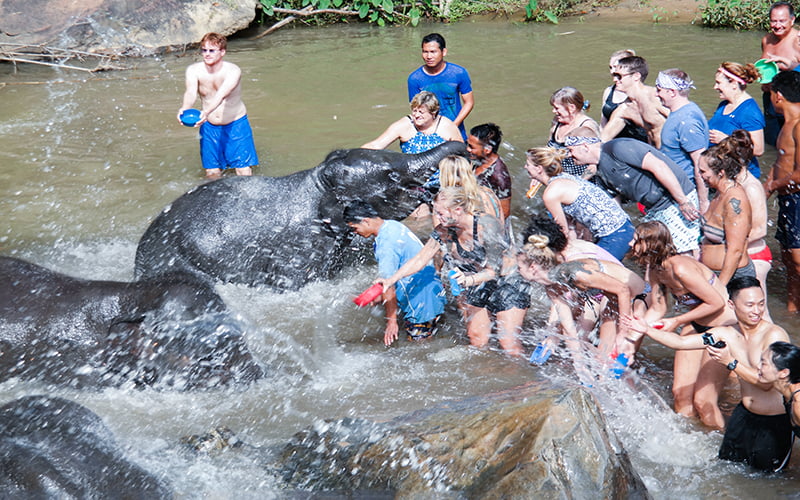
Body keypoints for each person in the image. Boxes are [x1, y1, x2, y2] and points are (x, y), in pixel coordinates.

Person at [627, 276, 792, 471]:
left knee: (769, 480)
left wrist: (729, 362)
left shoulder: (774, 335)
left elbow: (766, 383)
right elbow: (680, 343)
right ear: (732, 304)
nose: (756, 311)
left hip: (773, 422)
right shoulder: (726, 333)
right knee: (729, 471)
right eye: (749, 305)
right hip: (743, 417)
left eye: (761, 304)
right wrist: (646, 329)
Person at [376, 187, 529, 356]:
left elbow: (493, 271)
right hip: (475, 282)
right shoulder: (445, 230)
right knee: (477, 340)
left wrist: (468, 280)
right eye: (436, 214)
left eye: (441, 214)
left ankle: (526, 378)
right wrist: (390, 280)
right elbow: (420, 259)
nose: (438, 219)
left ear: (457, 210)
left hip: (507, 282)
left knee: (508, 344)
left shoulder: (487, 225)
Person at [629, 221, 736, 425]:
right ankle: (692, 440)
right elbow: (659, 308)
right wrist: (636, 330)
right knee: (680, 394)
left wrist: (677, 320)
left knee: (704, 401)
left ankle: (721, 447)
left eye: (636, 240)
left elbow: (716, 302)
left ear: (651, 244)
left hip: (724, 328)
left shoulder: (681, 267)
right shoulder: (655, 271)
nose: (630, 242)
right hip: (696, 324)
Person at [516, 234, 646, 375]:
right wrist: (579, 366)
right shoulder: (552, 288)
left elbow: (623, 289)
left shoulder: (576, 273)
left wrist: (623, 332)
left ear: (533, 267)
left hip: (637, 298)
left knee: (609, 364)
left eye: (519, 267)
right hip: (611, 300)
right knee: (598, 361)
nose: (517, 271)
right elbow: (569, 329)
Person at [565, 129, 701, 255]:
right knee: (654, 256)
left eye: (571, 150)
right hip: (654, 208)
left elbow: (659, 166)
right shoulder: (600, 172)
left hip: (676, 199)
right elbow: (615, 207)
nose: (570, 155)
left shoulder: (618, 148)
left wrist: (683, 201)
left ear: (585, 146)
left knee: (682, 252)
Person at [344, 201, 446, 345]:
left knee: (419, 348)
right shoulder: (392, 225)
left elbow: (388, 285)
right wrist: (379, 297)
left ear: (366, 221)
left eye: (354, 228)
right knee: (433, 338)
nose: (355, 233)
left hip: (419, 303)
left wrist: (391, 322)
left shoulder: (386, 244)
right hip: (434, 290)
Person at [524, 146, 634, 261]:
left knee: (593, 274)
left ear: (539, 168)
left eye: (528, 164)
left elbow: (562, 232)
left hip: (615, 236)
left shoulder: (551, 194)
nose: (525, 167)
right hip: (625, 227)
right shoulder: (564, 177)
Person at [179, 32, 258, 180]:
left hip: (235, 124)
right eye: (204, 50)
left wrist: (205, 112)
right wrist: (185, 108)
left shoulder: (233, 71)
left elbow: (221, 95)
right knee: (212, 173)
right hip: (209, 126)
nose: (207, 54)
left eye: (212, 50)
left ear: (222, 52)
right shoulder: (193, 70)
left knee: (243, 170)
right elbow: (190, 92)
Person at [764, 70, 800, 313]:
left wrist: (773, 186)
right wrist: (763, 191)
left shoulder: (798, 126)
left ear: (778, 96)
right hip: (787, 198)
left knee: (798, 260)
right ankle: (791, 310)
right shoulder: (786, 125)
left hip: (797, 198)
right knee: (788, 259)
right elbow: (780, 163)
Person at [726, 130, 773, 319]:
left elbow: (760, 229)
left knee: (760, 314)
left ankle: (776, 347)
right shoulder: (735, 183)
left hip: (755, 257)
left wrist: (731, 244)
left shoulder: (751, 187)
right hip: (741, 254)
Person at [698, 143, 754, 285]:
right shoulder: (719, 192)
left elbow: (735, 250)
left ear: (721, 173)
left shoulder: (735, 200)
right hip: (711, 273)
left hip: (732, 278)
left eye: (703, 172)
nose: (700, 176)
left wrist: (720, 287)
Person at [656, 68, 710, 212]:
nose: (656, 94)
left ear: (672, 92)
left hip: (687, 194)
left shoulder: (687, 121)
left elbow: (701, 163)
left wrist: (703, 203)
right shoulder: (679, 113)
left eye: (659, 90)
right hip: (676, 191)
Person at [407, 33, 474, 140]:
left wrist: (453, 126)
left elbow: (469, 102)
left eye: (433, 52)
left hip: (456, 129)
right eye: (425, 52)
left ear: (444, 52)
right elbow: (416, 110)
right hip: (429, 134)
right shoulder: (415, 79)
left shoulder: (459, 73)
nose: (429, 56)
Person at [707, 62, 766, 179]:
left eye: (719, 83)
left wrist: (726, 140)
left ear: (734, 84)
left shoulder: (749, 112)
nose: (715, 87)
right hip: (720, 172)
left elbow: (759, 149)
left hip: (739, 177)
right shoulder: (724, 104)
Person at [600, 55, 669, 147]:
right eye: (615, 75)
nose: (615, 79)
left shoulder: (655, 97)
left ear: (636, 76)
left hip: (676, 153)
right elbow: (603, 139)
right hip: (655, 154)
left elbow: (681, 120)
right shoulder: (624, 109)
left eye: (619, 76)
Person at [362, 91, 462, 153]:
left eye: (421, 112)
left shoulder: (447, 126)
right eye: (415, 111)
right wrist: (352, 155)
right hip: (411, 180)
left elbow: (462, 153)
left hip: (441, 179)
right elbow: (377, 145)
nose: (417, 115)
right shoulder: (404, 124)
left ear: (433, 112)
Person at [761, 1, 800, 145]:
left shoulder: (798, 40)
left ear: (792, 20)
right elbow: (763, 67)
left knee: (792, 145)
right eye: (773, 21)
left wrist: (790, 65)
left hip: (793, 104)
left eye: (782, 21)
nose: (777, 25)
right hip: (771, 99)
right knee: (772, 143)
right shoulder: (767, 40)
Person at [546, 87, 600, 178]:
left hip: (583, 181)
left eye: (556, 108)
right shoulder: (557, 121)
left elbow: (595, 163)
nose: (553, 111)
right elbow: (548, 151)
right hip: (559, 178)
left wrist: (579, 182)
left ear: (571, 108)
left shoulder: (587, 126)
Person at [438, 155, 504, 222]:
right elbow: (498, 224)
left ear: (444, 176)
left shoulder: (445, 200)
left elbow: (439, 230)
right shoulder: (487, 192)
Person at [466, 123, 512, 219]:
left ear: (487, 150)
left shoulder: (499, 175)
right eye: (467, 144)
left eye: (471, 147)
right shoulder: (479, 160)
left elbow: (505, 212)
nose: (467, 149)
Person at [759, 341, 800, 439]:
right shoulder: (789, 393)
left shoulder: (798, 405)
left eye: (763, 363)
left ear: (783, 373)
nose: (757, 366)